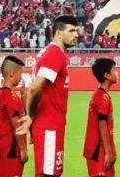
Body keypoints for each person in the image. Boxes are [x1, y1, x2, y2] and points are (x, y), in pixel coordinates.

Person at [18, 15, 79, 177]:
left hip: (48, 125)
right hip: (49, 126)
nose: (76, 35)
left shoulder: (48, 52)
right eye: (71, 31)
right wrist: (30, 116)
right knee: (48, 174)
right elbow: (34, 88)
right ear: (58, 33)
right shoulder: (55, 53)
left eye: (77, 31)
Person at [83, 58, 118, 177]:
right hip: (98, 151)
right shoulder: (101, 97)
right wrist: (108, 152)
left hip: (102, 150)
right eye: (114, 70)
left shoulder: (102, 95)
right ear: (107, 75)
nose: (117, 73)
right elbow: (102, 126)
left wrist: (112, 149)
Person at [0, 56, 28, 177]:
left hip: (2, 149)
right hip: (12, 151)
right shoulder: (12, 98)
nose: (21, 78)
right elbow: (17, 127)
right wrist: (23, 149)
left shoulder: (1, 94)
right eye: (20, 74)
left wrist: (23, 94)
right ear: (12, 74)